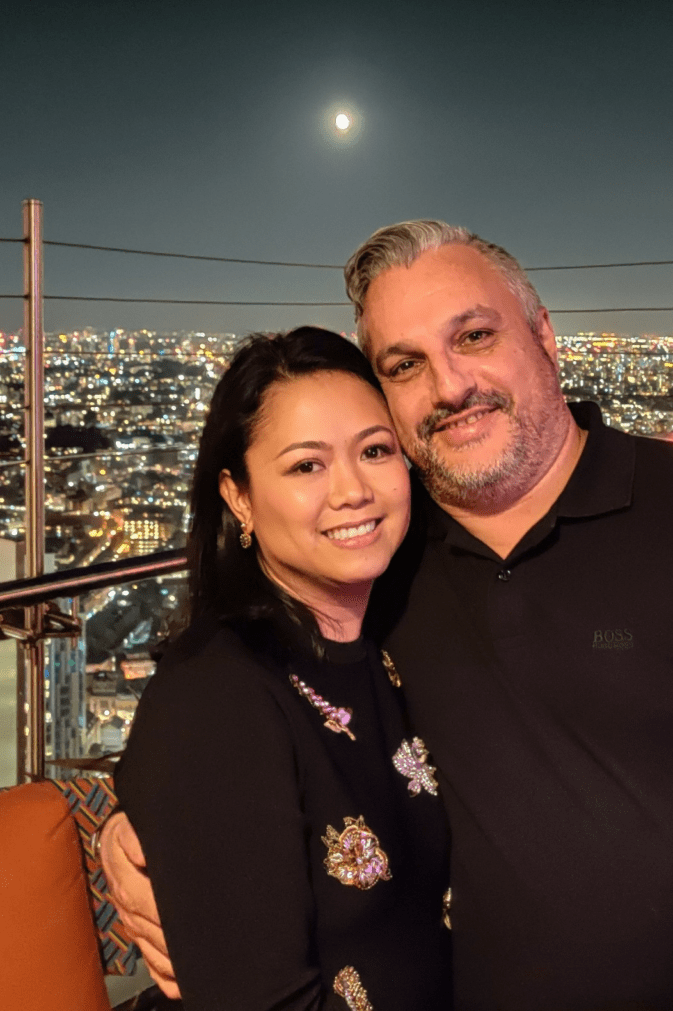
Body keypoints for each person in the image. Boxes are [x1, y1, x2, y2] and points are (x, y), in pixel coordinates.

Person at [103, 223, 673, 1010]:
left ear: (543, 334)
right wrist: (152, 826)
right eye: (404, 365)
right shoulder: (382, 558)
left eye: (474, 336)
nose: (449, 386)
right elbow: (239, 722)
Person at [110, 325, 452, 1011]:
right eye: (306, 466)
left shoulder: (404, 635)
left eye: (375, 451)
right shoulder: (217, 698)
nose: (352, 490)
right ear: (238, 497)